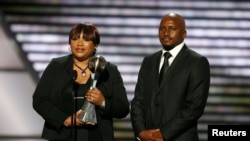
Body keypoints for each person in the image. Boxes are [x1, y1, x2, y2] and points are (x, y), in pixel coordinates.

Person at [32, 22, 130, 141]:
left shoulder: (109, 70)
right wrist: (66, 120)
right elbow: (39, 100)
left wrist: (103, 102)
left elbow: (123, 107)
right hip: (62, 136)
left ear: (95, 45)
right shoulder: (56, 66)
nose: (79, 43)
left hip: (97, 137)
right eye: (75, 38)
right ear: (70, 43)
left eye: (86, 39)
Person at [130, 13, 210, 141]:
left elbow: (194, 107)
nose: (166, 33)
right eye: (162, 28)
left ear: (184, 34)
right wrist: (141, 132)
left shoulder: (197, 62)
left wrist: (163, 134)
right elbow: (138, 101)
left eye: (172, 28)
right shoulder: (148, 61)